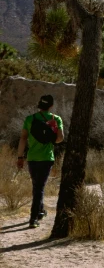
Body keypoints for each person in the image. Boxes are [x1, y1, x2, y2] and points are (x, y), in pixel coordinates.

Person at [16, 94, 64, 228]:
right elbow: (60, 139)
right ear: (51, 106)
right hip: (47, 158)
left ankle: (40, 211)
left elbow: (23, 139)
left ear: (39, 104)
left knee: (37, 186)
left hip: (32, 158)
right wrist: (51, 134)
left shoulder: (30, 119)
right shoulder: (56, 119)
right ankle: (33, 218)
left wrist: (20, 157)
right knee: (39, 187)